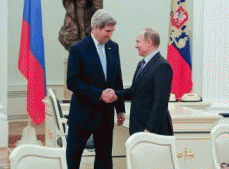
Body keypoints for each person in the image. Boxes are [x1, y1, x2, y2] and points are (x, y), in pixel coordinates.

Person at [66, 9, 125, 169]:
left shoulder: (114, 47)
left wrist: (120, 109)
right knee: (73, 155)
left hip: (105, 115)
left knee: (105, 158)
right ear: (95, 27)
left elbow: (117, 79)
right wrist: (99, 94)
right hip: (83, 114)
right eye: (107, 31)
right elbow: (72, 82)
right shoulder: (78, 49)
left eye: (112, 31)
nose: (110, 35)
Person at [103, 28, 173, 136]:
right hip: (139, 127)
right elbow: (134, 92)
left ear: (149, 42)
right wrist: (115, 94)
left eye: (138, 42)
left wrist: (149, 129)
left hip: (153, 131)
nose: (136, 45)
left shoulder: (161, 65)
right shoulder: (141, 64)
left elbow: (160, 102)